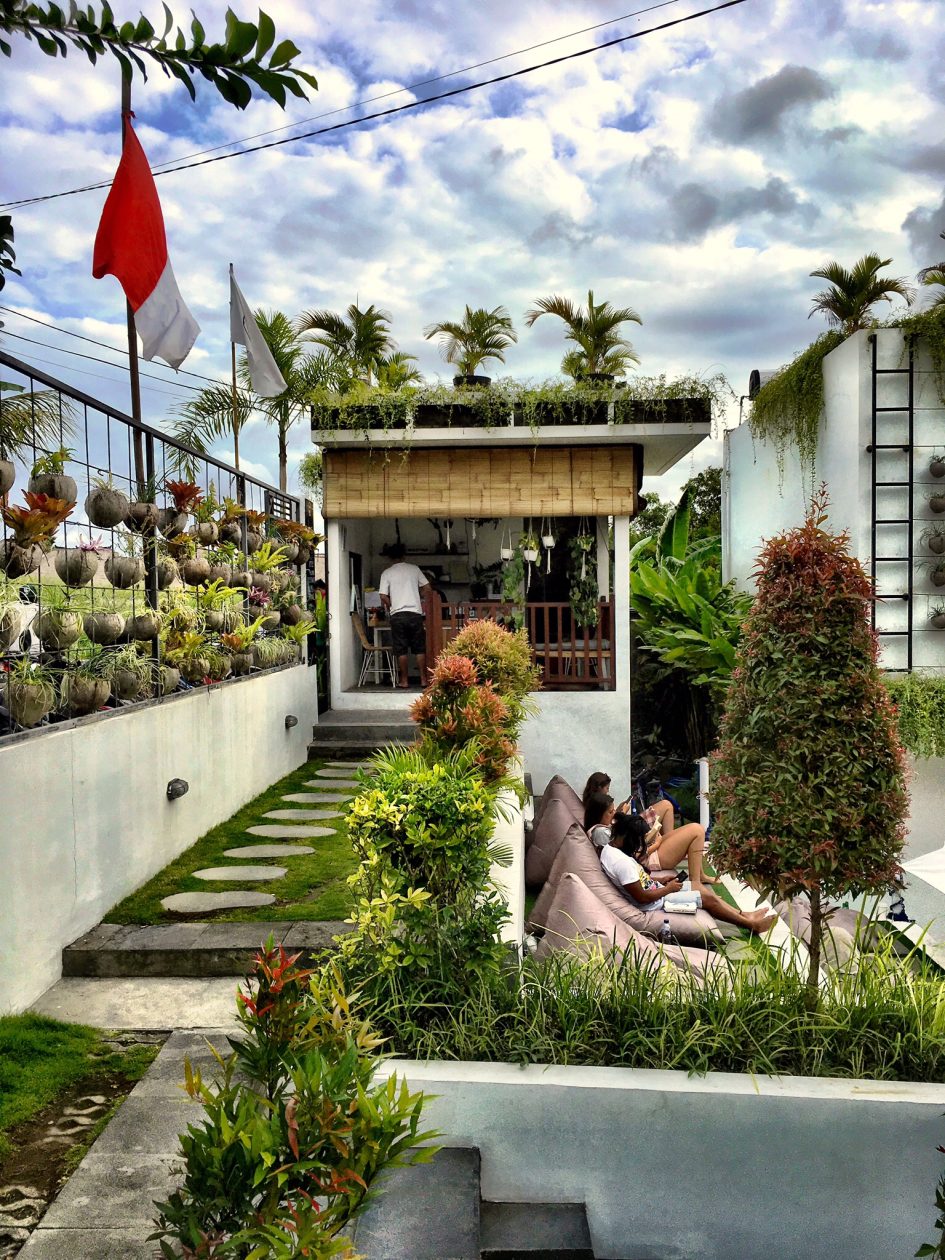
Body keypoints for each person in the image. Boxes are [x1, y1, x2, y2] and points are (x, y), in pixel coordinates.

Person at [602, 813, 776, 936]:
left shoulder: (611, 850)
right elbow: (642, 898)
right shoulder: (621, 863)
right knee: (708, 898)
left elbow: (635, 880)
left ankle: (744, 914)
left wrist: (661, 879)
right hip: (656, 902)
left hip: (658, 890)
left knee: (697, 888)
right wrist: (668, 889)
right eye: (637, 840)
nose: (639, 847)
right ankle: (751, 925)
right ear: (626, 836)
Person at [582, 770, 675, 855]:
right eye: (607, 788)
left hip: (628, 831)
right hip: (629, 832)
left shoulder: (597, 806)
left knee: (666, 806)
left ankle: (669, 843)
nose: (608, 791)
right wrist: (622, 813)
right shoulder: (597, 808)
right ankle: (670, 846)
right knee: (667, 806)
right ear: (599, 787)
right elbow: (626, 851)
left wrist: (618, 812)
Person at [378, 542, 431, 689]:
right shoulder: (414, 569)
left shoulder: (387, 573)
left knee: (401, 649)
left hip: (398, 615)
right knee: (419, 648)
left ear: (390, 557)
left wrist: (392, 605)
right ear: (404, 555)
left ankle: (404, 681)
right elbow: (427, 588)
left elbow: (383, 596)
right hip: (415, 614)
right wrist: (418, 596)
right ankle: (423, 680)